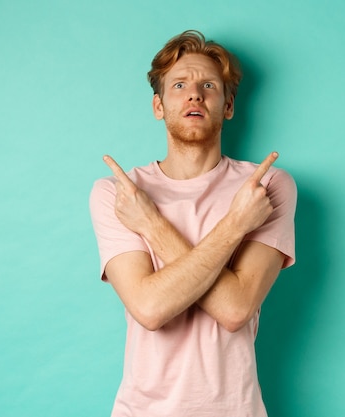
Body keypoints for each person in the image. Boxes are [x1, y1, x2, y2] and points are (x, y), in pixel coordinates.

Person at [89, 30, 297, 417]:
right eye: (179, 84)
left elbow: (235, 309)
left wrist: (152, 224)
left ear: (229, 105)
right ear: (158, 105)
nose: (194, 94)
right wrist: (234, 226)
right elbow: (150, 309)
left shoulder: (265, 187)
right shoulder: (119, 194)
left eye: (209, 86)